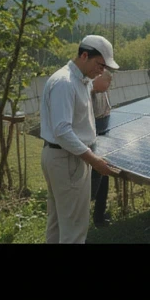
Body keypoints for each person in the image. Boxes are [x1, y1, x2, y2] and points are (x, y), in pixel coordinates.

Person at [39, 35, 118, 243]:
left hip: (63, 159)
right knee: (74, 229)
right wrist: (94, 160)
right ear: (84, 55)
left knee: (58, 221)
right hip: (68, 160)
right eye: (100, 65)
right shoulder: (65, 83)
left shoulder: (81, 81)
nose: (102, 71)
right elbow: (62, 131)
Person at [90, 66, 112, 228]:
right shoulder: (86, 90)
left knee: (103, 173)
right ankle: (86, 216)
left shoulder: (102, 89)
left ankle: (99, 215)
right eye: (107, 81)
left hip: (103, 128)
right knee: (92, 175)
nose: (109, 84)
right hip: (93, 131)